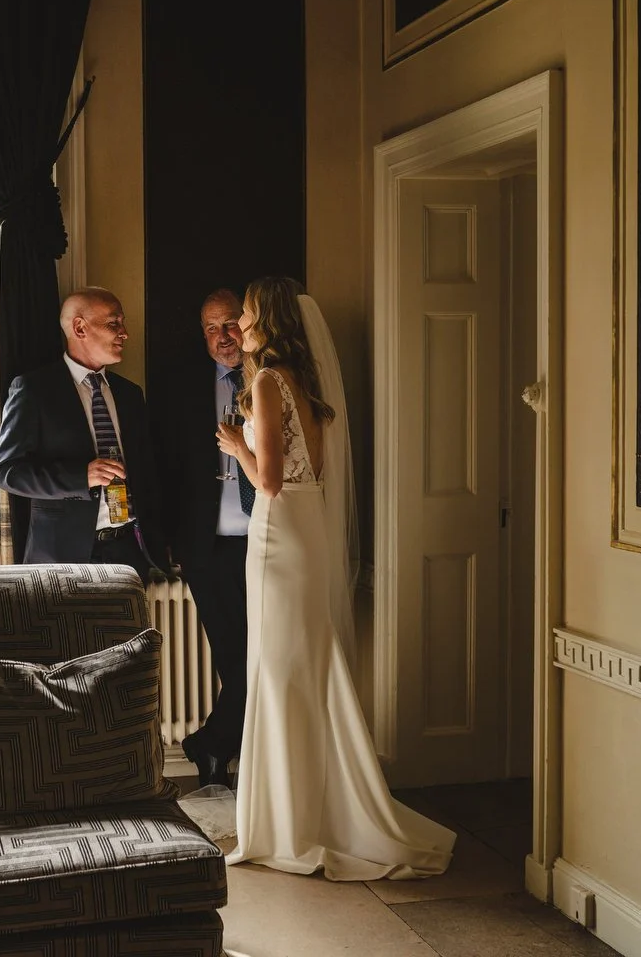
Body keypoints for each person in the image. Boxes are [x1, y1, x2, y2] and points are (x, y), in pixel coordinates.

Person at [214, 277, 454, 881]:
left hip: (280, 528)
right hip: (309, 524)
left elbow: (267, 480)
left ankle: (285, 825)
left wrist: (236, 445)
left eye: (243, 315)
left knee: (278, 666)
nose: (237, 326)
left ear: (266, 318)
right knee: (303, 664)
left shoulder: (267, 382)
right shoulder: (302, 381)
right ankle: (303, 813)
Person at [0, 288, 165, 581]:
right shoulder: (34, 390)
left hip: (129, 553)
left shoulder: (130, 394)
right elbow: (8, 472)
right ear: (79, 328)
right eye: (114, 324)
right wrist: (80, 477)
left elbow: (147, 472)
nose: (124, 333)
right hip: (60, 556)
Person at [160, 288, 251, 788]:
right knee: (233, 652)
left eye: (232, 323)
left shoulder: (267, 379)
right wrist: (170, 537)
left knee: (262, 654)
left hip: (266, 540)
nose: (223, 337)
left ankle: (213, 745)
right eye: (212, 328)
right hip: (205, 543)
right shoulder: (181, 386)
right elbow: (166, 465)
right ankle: (217, 747)